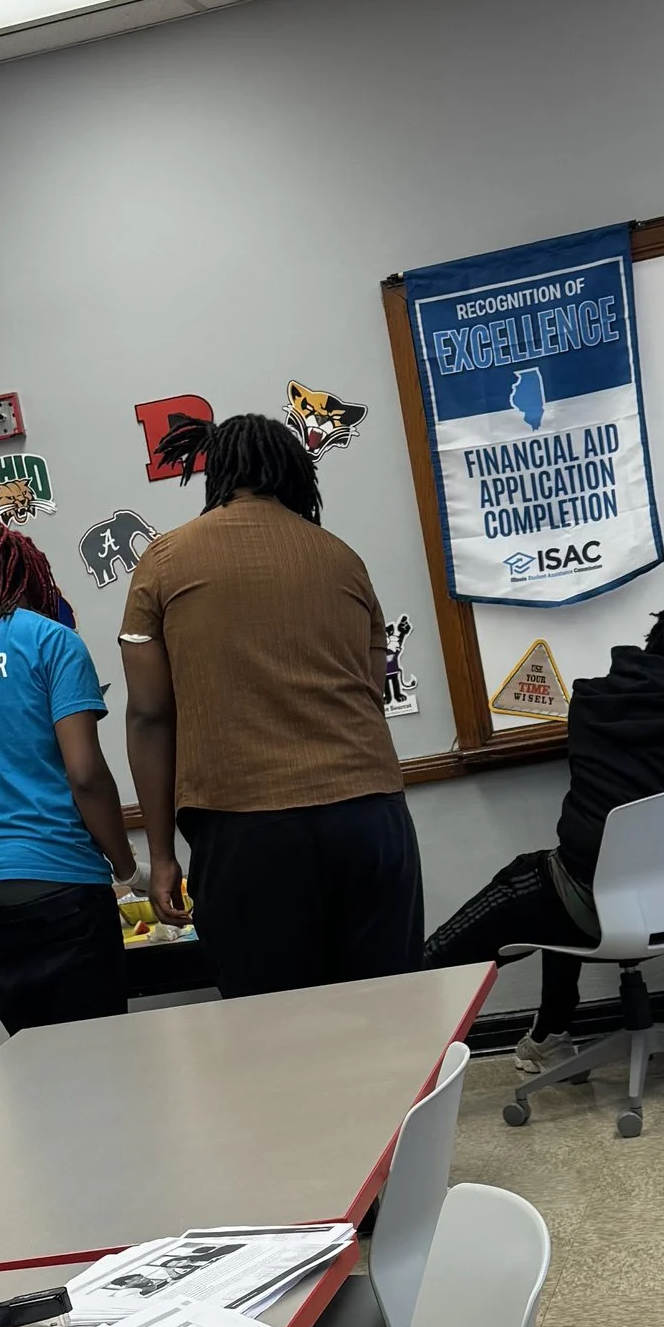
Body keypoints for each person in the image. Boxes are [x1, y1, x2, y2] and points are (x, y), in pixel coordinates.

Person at [423, 595, 664, 1067]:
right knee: (562, 881)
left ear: (654, 645)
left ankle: (426, 1053)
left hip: (584, 903)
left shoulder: (591, 704)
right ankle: (549, 1035)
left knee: (443, 954)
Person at [119, 411, 423, 999]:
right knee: (390, 1013)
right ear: (296, 474)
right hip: (369, 818)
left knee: (274, 1028)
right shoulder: (343, 558)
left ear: (217, 474)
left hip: (247, 829)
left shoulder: (165, 560)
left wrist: (162, 854)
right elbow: (370, 690)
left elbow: (150, 716)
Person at [0, 527, 138, 1033]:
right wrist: (128, 868)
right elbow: (85, 774)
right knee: (101, 1053)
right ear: (31, 576)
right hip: (58, 879)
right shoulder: (52, 641)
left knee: (36, 1058)